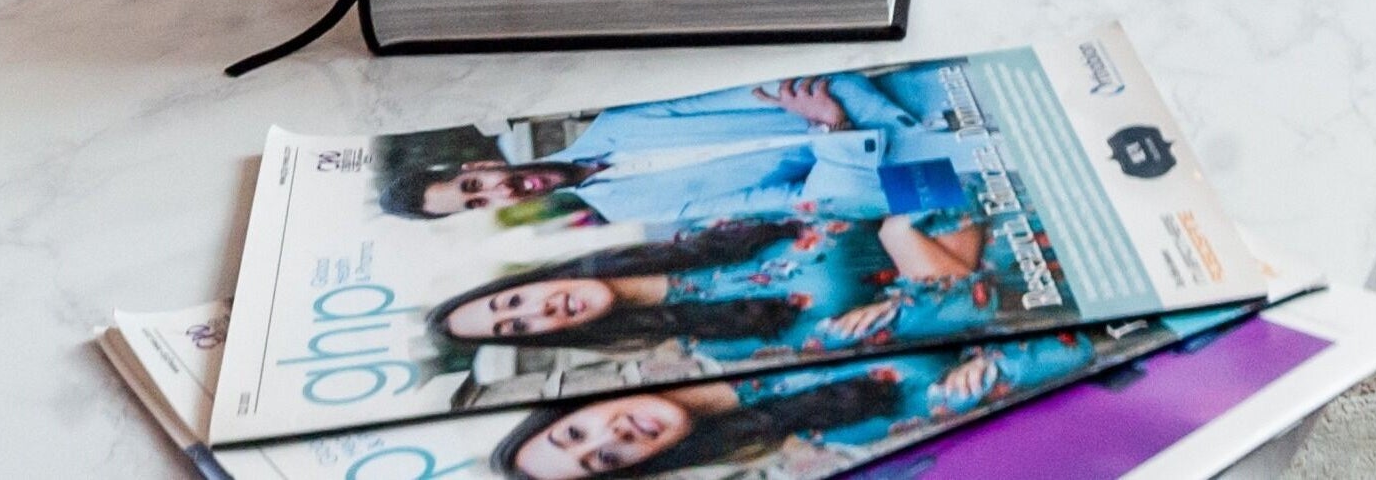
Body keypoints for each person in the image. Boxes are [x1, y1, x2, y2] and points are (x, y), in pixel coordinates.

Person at [379, 78, 984, 227]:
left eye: (474, 186)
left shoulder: (622, 111)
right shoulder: (630, 213)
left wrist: (843, 118)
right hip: (904, 176)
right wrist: (834, 136)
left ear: (476, 166)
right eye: (477, 206)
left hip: (909, 96)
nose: (499, 193)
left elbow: (788, 85)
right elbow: (799, 202)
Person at [430, 213, 1003, 369]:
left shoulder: (693, 231)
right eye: (519, 327)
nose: (539, 309)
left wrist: (902, 233)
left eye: (512, 302)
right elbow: (945, 313)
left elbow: (848, 192)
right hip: (1024, 265)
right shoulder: (724, 345)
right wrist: (900, 230)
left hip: (989, 191)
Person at [487, 336, 1104, 479]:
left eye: (576, 432)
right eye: (604, 460)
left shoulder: (712, 327)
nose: (611, 436)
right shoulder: (810, 456)